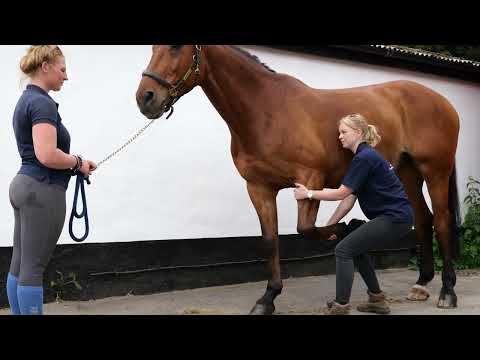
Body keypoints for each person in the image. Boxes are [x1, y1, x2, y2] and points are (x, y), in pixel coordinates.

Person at [6, 45, 97, 315]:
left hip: (24, 185)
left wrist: (75, 163)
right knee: (32, 269)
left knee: (20, 265)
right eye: (62, 69)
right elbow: (46, 154)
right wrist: (78, 162)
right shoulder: (42, 102)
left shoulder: (26, 100)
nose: (66, 76)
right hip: (42, 190)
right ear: (45, 66)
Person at [294, 113, 414, 315]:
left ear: (358, 133)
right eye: (339, 132)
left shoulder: (365, 158)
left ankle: (341, 306)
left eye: (343, 132)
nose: (339, 136)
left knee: (343, 250)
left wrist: (309, 193)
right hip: (395, 217)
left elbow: (341, 192)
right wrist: (329, 227)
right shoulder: (365, 157)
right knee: (354, 247)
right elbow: (348, 200)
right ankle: (377, 300)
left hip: (395, 218)